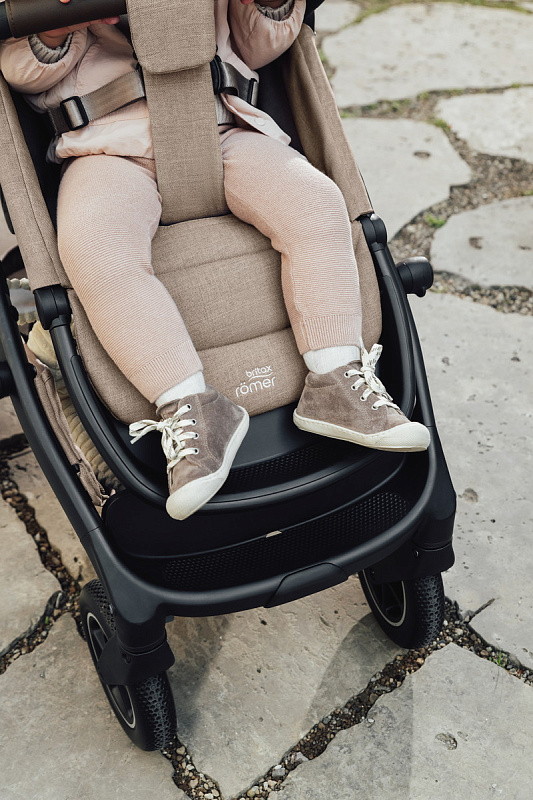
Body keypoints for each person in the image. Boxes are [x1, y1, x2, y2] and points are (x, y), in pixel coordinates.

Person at [0, 0, 430, 521]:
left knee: (316, 202)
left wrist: (269, 7)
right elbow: (20, 68)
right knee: (96, 246)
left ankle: (335, 377)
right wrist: (55, 26)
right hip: (106, 147)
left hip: (222, 127)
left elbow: (259, 47)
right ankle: (191, 406)